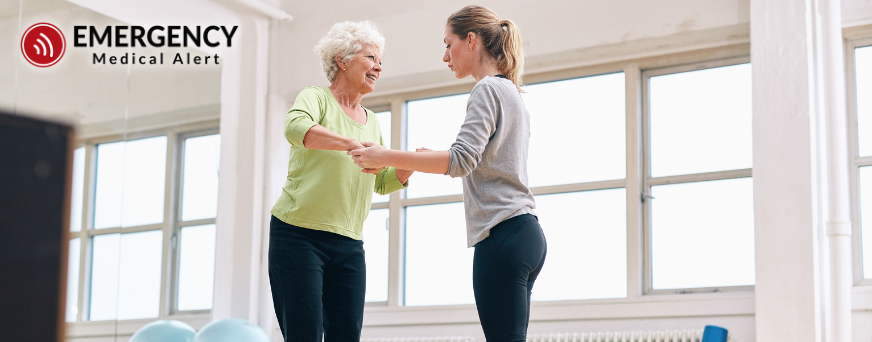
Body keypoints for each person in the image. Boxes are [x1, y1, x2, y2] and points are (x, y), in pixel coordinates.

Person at [349, 6, 546, 342]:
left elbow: (460, 161)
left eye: (447, 44)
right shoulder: (511, 92)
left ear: (471, 40)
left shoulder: (487, 89)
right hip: (527, 234)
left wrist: (385, 155)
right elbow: (480, 158)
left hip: (501, 234)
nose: (445, 56)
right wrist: (425, 158)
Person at [268, 20, 413, 342]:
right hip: (298, 235)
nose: (378, 67)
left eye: (380, 62)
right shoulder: (316, 97)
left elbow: (380, 181)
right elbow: (295, 129)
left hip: (348, 243)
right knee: (304, 333)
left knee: (346, 334)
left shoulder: (372, 120)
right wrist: (349, 143)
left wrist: (405, 168)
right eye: (371, 58)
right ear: (342, 59)